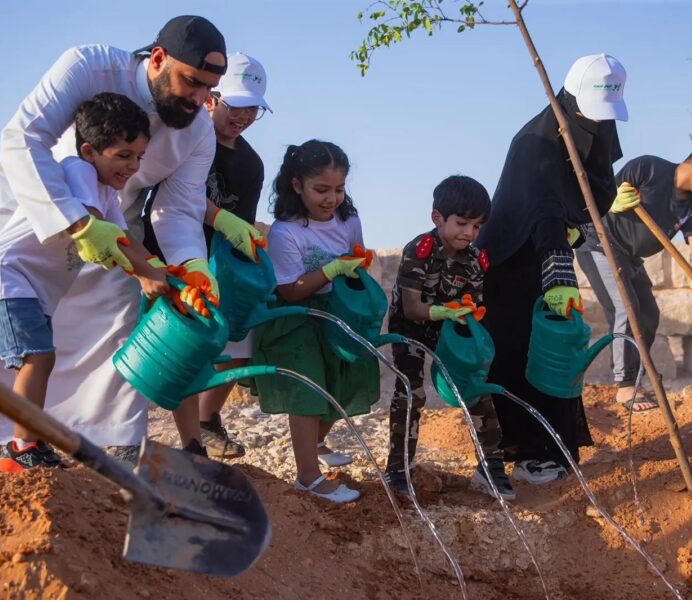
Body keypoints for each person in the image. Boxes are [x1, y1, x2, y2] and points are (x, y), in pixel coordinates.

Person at [0, 15, 263, 464]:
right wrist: (77, 223)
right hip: (30, 209)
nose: (200, 100)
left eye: (208, 89)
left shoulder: (198, 130)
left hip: (114, 224)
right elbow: (23, 136)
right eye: (192, 83)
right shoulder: (87, 66)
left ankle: (111, 443)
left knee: (121, 318)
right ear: (158, 59)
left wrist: (192, 267)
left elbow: (178, 207)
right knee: (13, 335)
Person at [0, 93, 169, 472]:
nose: (133, 166)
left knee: (40, 359)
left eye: (140, 158)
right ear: (90, 150)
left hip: (32, 287)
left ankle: (27, 443)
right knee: (37, 358)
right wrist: (145, 273)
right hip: (8, 277)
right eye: (124, 155)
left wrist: (163, 272)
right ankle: (22, 447)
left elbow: (125, 239)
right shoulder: (77, 170)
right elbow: (96, 226)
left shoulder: (108, 190)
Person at [475, 54, 629, 485]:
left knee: (554, 354)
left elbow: (592, 190)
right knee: (517, 355)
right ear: (570, 98)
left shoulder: (591, 130)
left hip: (552, 254)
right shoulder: (535, 144)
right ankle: (513, 456)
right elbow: (540, 212)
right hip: (511, 265)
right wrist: (559, 274)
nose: (598, 126)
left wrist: (576, 232)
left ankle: (549, 448)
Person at [146, 52, 272, 458]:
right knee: (187, 347)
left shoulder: (251, 164)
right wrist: (217, 218)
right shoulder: (183, 138)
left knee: (237, 345)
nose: (243, 116)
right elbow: (173, 198)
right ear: (212, 98)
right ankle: (191, 443)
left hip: (219, 263)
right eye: (236, 106)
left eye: (252, 108)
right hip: (171, 253)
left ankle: (208, 418)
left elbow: (243, 221)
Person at [251, 140, 380, 503]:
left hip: (335, 314)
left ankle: (316, 441)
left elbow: (356, 257)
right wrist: (331, 269)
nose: (332, 199)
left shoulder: (348, 220)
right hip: (294, 320)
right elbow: (290, 290)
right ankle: (308, 476)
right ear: (297, 186)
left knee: (345, 383)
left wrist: (355, 265)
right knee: (308, 391)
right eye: (321, 190)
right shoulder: (286, 232)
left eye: (339, 190)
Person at [576, 138, 692, 411]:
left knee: (649, 313)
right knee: (626, 308)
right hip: (599, 244)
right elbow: (599, 195)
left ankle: (636, 378)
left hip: (630, 257)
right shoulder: (648, 169)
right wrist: (612, 202)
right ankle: (625, 389)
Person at [383, 175, 515, 500]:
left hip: (449, 331)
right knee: (411, 391)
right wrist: (444, 311)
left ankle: (490, 467)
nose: (469, 233)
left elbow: (474, 303)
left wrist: (470, 315)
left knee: (477, 390)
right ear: (437, 218)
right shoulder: (420, 250)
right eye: (462, 223)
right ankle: (398, 469)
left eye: (477, 226)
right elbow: (412, 308)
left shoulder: (473, 261)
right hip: (411, 327)